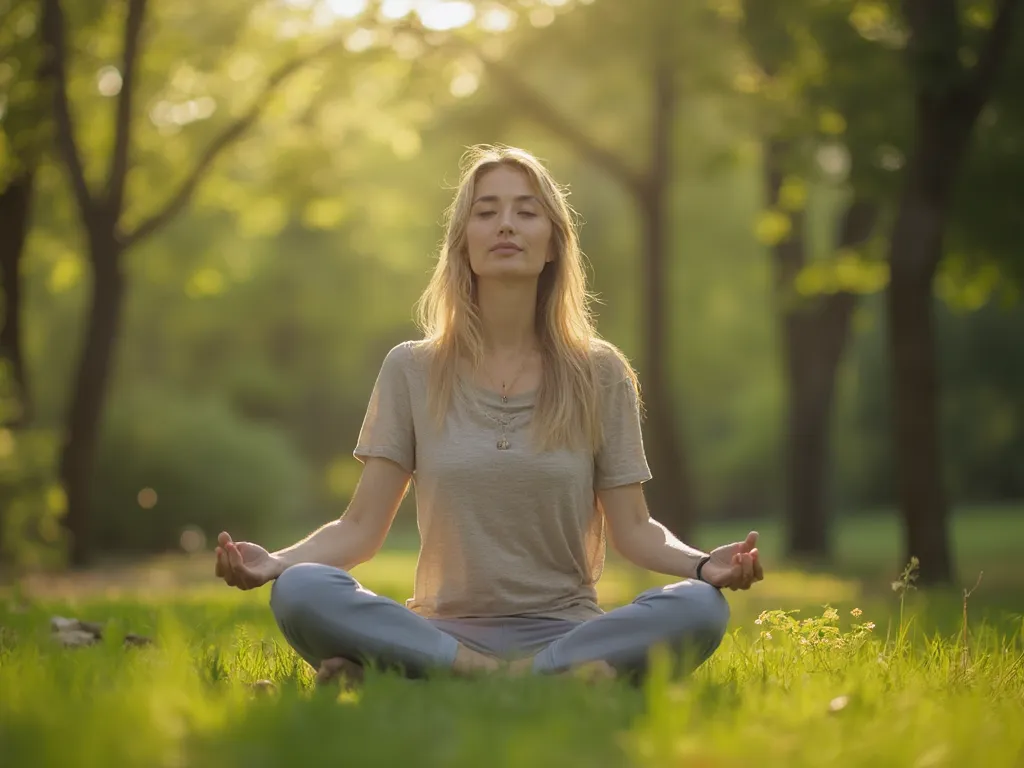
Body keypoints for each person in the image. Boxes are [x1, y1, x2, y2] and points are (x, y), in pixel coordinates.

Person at [214, 144, 764, 685]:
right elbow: (359, 529)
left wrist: (703, 566)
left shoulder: (600, 372)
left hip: (565, 631)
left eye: (526, 211)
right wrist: (276, 563)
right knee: (301, 590)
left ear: (553, 244)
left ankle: (428, 676)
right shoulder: (411, 368)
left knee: (700, 606)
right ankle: (513, 676)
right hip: (443, 630)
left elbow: (636, 530)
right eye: (486, 212)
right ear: (463, 242)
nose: (506, 224)